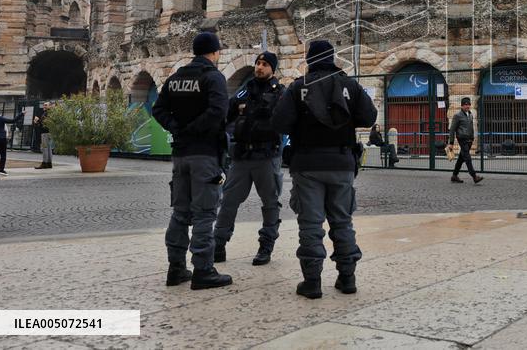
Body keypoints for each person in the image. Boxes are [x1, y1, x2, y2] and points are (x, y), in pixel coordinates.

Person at [272, 39, 377, 299]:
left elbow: (280, 123)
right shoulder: (349, 85)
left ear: (310, 59)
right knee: (342, 221)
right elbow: (369, 117)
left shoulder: (298, 88)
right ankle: (347, 277)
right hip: (342, 163)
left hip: (307, 163)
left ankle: (312, 282)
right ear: (332, 58)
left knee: (310, 224)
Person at [151, 31, 232, 290]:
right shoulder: (213, 77)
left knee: (180, 212)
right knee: (204, 214)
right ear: (214, 52)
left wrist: (177, 127)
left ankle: (176, 268)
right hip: (204, 153)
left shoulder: (176, 78)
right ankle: (203, 270)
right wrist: (195, 128)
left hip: (181, 154)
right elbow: (219, 112)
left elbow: (158, 109)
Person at [214, 51, 284, 266]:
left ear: (273, 68)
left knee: (270, 203)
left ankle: (266, 246)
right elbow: (227, 116)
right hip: (242, 157)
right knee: (228, 202)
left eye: (264, 64)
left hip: (266, 156)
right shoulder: (245, 91)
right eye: (258, 63)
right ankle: (218, 244)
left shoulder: (280, 92)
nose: (259, 67)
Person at [448, 97, 483, 184]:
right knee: (467, 158)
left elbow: (471, 128)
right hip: (462, 139)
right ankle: (474, 176)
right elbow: (452, 129)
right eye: (465, 105)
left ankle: (454, 176)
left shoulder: (470, 114)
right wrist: (451, 143)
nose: (467, 106)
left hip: (469, 140)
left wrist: (472, 138)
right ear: (462, 106)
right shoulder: (457, 116)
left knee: (461, 158)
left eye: (468, 104)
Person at [35, 102, 53, 169]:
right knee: (48, 148)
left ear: (50, 106)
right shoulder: (48, 113)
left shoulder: (48, 113)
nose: (44, 106)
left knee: (45, 148)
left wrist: (38, 120)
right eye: (44, 105)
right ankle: (49, 163)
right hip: (48, 132)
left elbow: (45, 122)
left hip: (45, 132)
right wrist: (37, 122)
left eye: (46, 105)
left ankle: (45, 163)